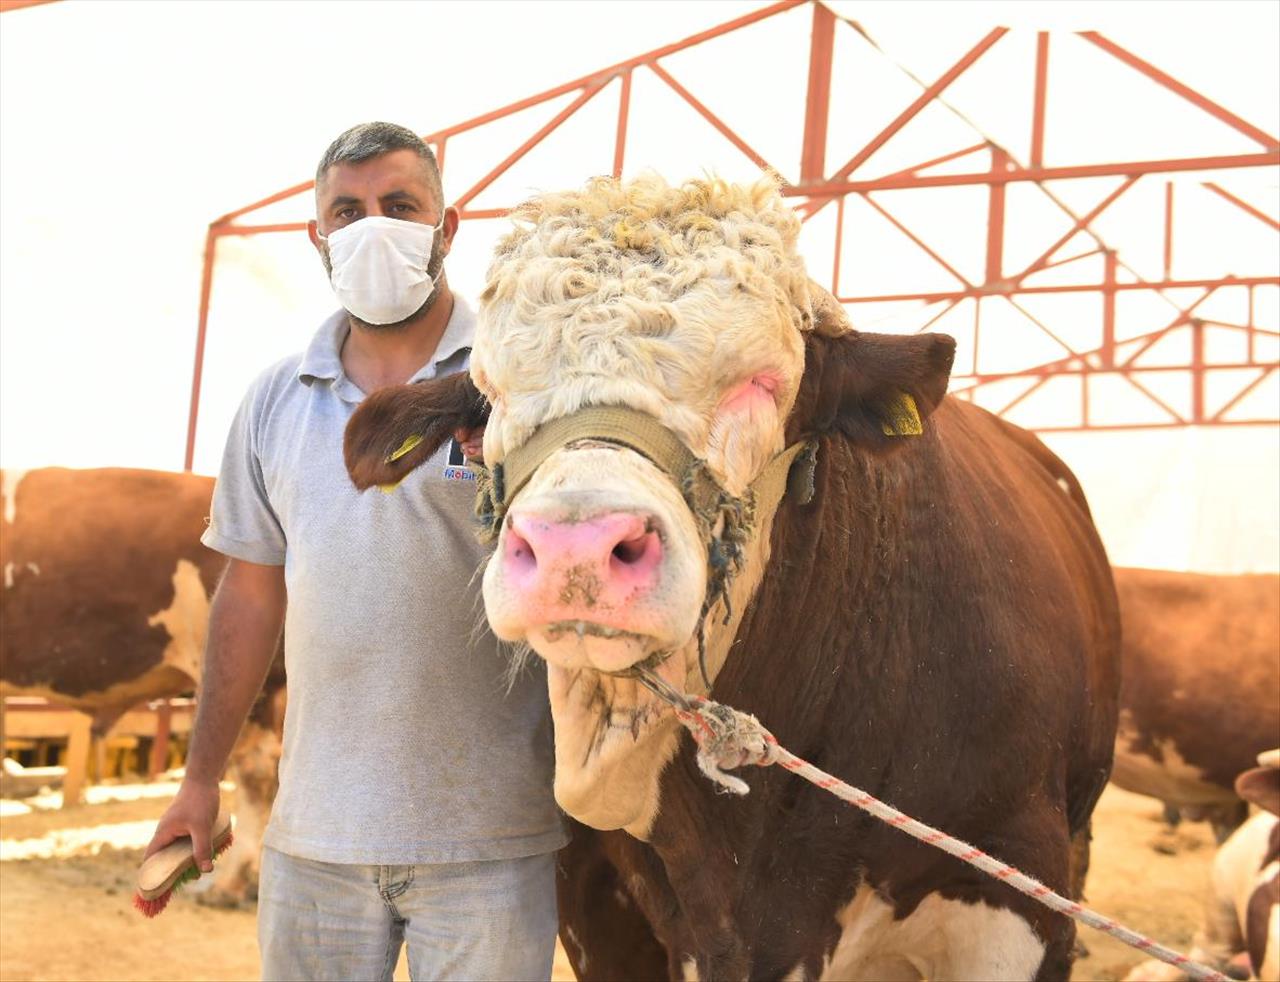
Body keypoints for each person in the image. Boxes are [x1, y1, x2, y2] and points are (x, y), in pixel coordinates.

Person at [145, 121, 565, 981]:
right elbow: (250, 597)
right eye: (349, 210)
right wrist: (199, 782)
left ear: (448, 229)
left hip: (491, 841)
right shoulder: (274, 400)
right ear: (319, 238)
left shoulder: (524, 383)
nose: (373, 226)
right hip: (315, 839)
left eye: (400, 206)